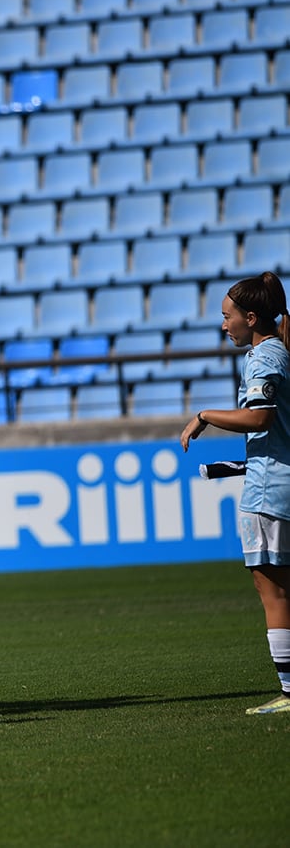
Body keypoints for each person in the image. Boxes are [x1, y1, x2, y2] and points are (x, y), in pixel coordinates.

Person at [181, 271, 290, 716]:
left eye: (227, 317)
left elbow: (261, 419)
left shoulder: (265, 357)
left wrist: (205, 415)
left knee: (274, 594)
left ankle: (288, 692)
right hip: (275, 478)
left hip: (269, 492)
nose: (224, 325)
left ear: (250, 317)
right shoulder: (281, 352)